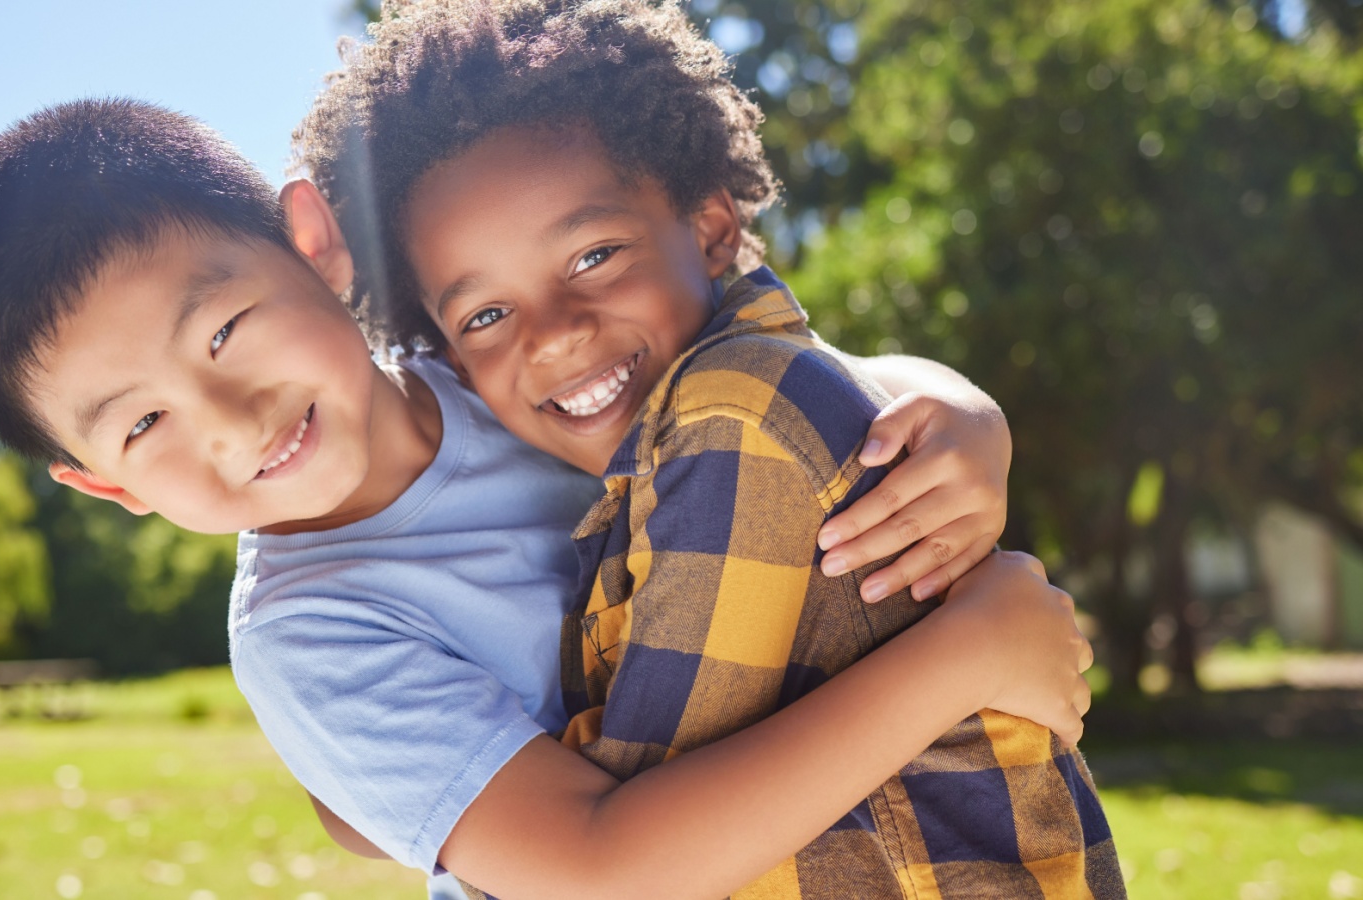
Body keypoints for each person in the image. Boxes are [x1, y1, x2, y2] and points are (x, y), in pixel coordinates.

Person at [0, 97, 1093, 900]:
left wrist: (952, 408)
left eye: (224, 330)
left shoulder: (505, 361)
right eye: (142, 423)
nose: (229, 420)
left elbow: (761, 388)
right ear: (103, 484)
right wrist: (961, 657)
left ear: (314, 245)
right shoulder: (308, 632)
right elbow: (598, 871)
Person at [296, 1, 1122, 897]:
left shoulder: (732, 425)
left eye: (593, 256)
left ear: (714, 228)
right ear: (452, 355)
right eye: (487, 314)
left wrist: (423, 799)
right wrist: (387, 794)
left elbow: (631, 845)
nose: (555, 337)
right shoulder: (651, 437)